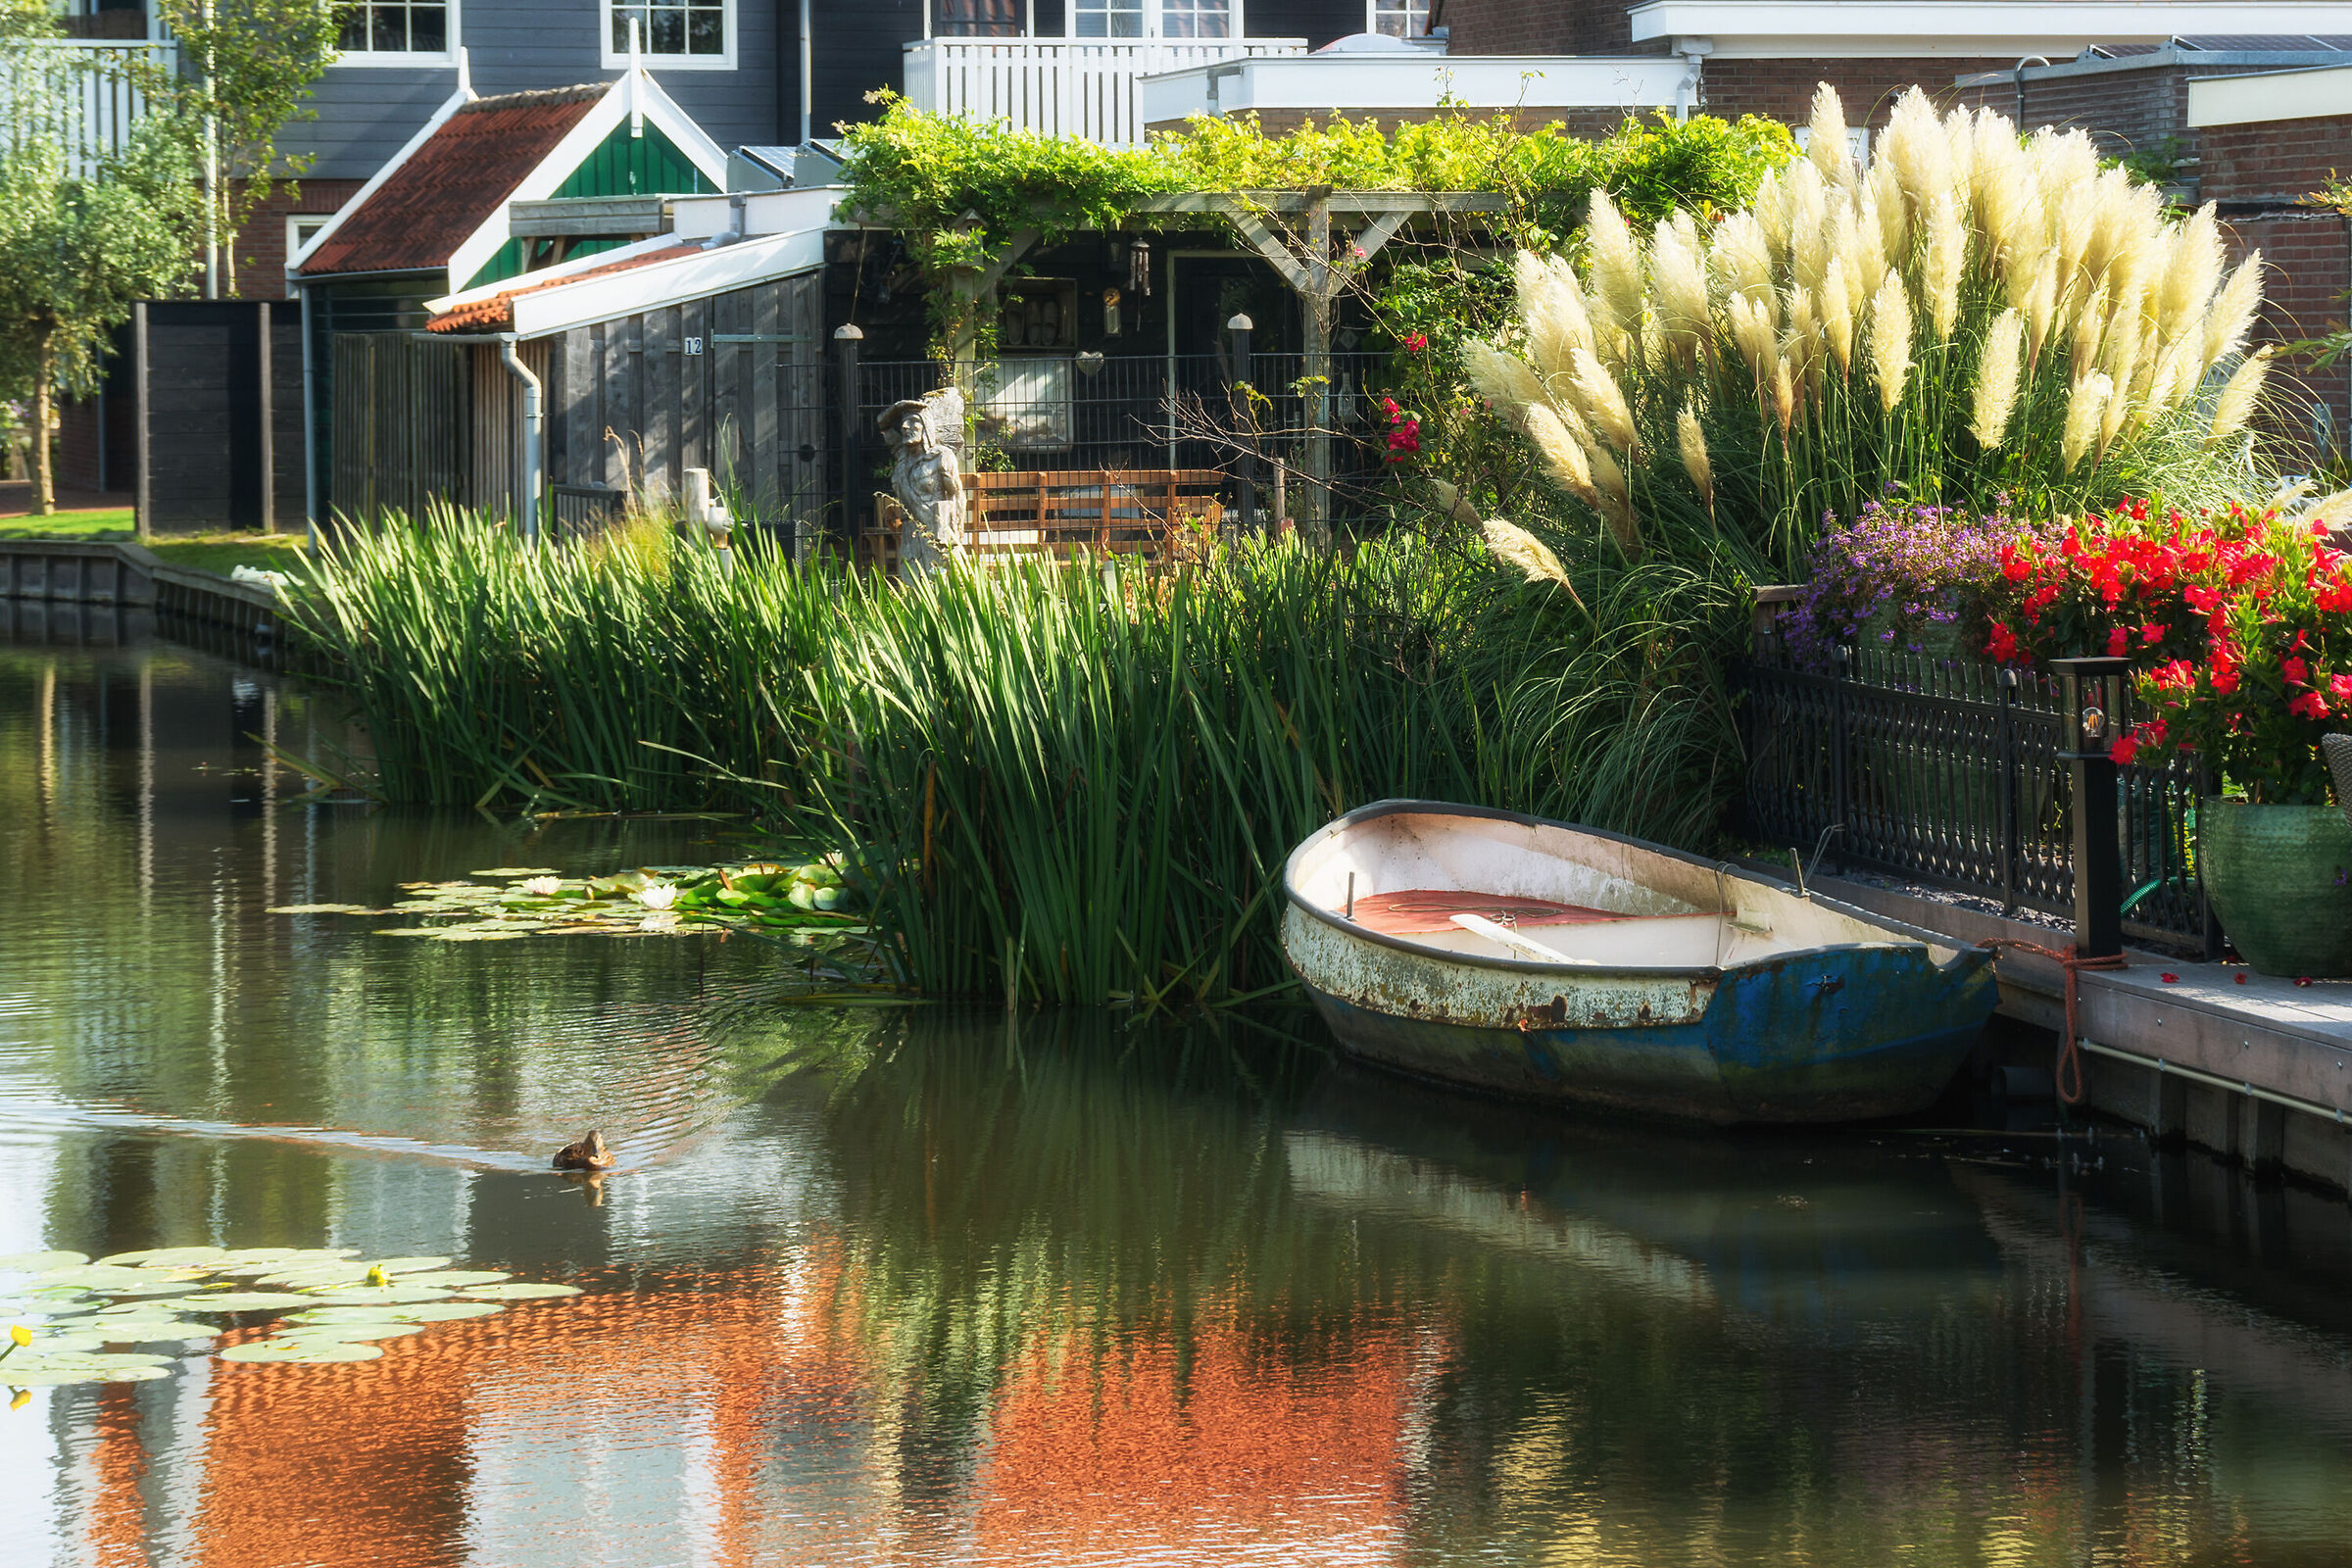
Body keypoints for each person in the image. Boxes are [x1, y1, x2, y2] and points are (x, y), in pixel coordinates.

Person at [879, 391, 967, 575]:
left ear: (926, 426)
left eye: (913, 421)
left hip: (938, 531)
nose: (905, 426)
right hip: (911, 534)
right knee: (914, 583)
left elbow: (956, 495)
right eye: (903, 422)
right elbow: (883, 424)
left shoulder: (941, 456)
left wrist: (957, 530)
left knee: (944, 581)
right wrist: (898, 407)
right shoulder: (902, 457)